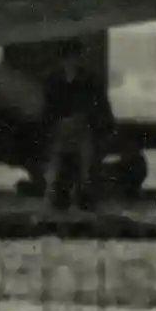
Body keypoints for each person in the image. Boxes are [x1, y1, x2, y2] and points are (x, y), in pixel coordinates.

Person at [38, 41, 113, 212]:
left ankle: (82, 196)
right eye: (68, 58)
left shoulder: (89, 80)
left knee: (84, 170)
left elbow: (99, 107)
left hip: (82, 129)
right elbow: (48, 109)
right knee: (61, 173)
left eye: (74, 58)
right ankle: (61, 198)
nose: (71, 62)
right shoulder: (54, 81)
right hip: (62, 130)